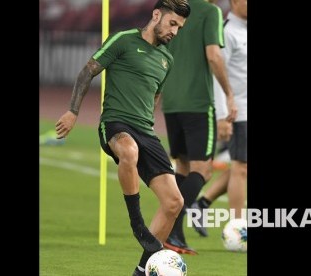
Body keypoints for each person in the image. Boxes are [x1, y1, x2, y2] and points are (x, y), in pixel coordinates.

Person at [54, 1, 191, 275]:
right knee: (128, 151)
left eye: (179, 27)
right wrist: (72, 111)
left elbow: (155, 95)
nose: (175, 31)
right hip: (115, 123)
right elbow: (88, 70)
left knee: (174, 202)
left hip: (146, 130)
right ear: (156, 15)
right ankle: (137, 224)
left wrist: (148, 123)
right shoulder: (123, 40)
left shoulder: (168, 59)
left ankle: (141, 270)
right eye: (172, 23)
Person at [160, 0, 238, 255]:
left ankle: (175, 236)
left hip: (172, 101)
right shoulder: (210, 12)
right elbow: (214, 55)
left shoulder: (175, 10)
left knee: (182, 166)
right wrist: (228, 94)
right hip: (198, 102)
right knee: (203, 171)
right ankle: (170, 225)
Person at [192, 0, 248, 237]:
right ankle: (238, 229)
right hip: (239, 110)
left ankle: (202, 203)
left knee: (244, 167)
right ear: (234, 2)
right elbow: (215, 75)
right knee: (241, 167)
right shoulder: (226, 31)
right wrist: (224, 114)